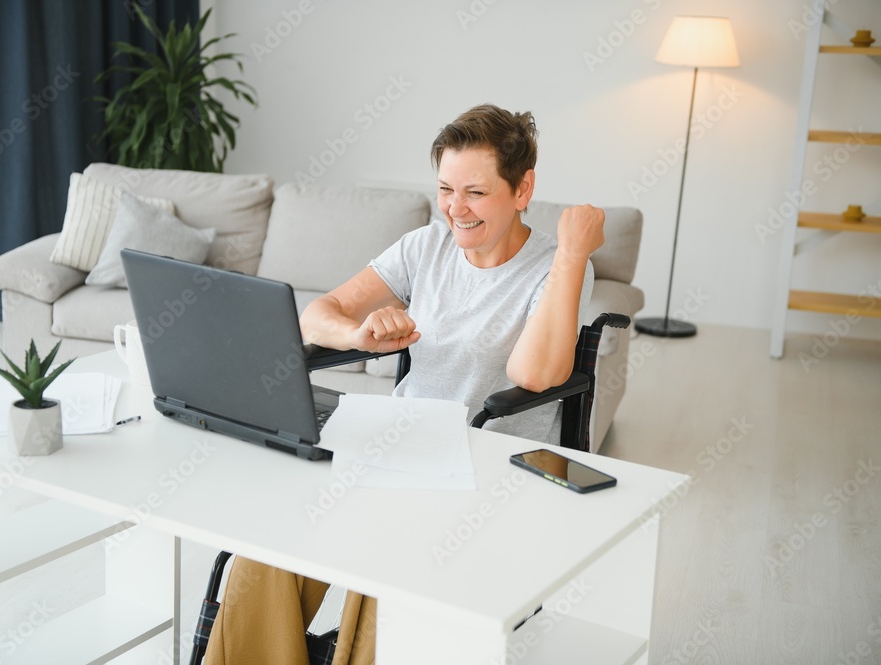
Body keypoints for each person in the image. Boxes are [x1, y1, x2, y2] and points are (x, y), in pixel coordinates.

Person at [205, 103, 605, 664]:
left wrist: (572, 251)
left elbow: (536, 374)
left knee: (383, 576)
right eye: (445, 189)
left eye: (475, 192)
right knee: (260, 560)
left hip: (482, 470)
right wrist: (359, 333)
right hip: (396, 446)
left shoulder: (558, 266)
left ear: (522, 189)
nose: (455, 209)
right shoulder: (426, 246)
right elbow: (319, 313)